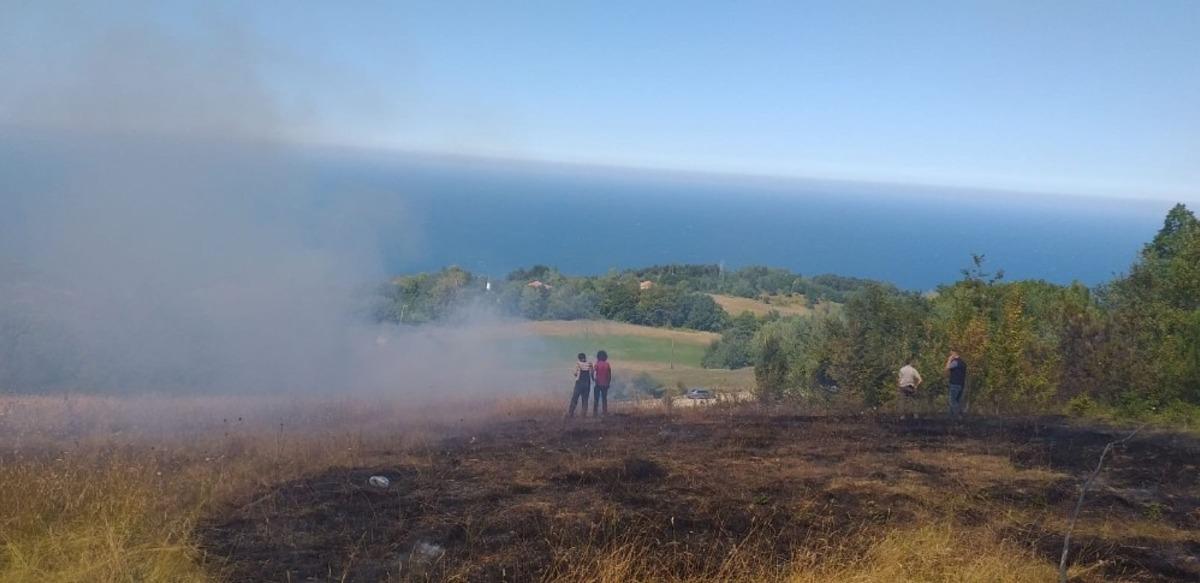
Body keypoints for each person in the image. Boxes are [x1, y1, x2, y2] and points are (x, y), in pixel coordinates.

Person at [567, 352, 593, 418]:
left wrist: (575, 374)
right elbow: (592, 373)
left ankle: (570, 413)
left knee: (575, 398)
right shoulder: (589, 364)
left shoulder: (578, 364)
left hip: (579, 384)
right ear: (585, 357)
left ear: (579, 358)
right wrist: (593, 379)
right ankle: (583, 415)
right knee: (585, 400)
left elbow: (575, 373)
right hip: (587, 384)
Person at [945, 351, 968, 417]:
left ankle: (958, 415)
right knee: (957, 401)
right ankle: (952, 417)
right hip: (961, 384)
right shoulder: (963, 363)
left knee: (952, 401)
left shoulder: (955, 362)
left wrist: (949, 360)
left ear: (954, 354)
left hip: (954, 384)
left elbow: (946, 368)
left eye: (951, 354)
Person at [593, 350, 612, 417]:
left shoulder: (597, 364)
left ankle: (595, 413)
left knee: (596, 399)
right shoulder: (607, 364)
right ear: (605, 357)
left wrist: (593, 379)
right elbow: (609, 375)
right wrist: (608, 383)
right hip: (605, 384)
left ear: (598, 356)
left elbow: (593, 372)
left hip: (598, 384)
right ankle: (605, 412)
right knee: (604, 399)